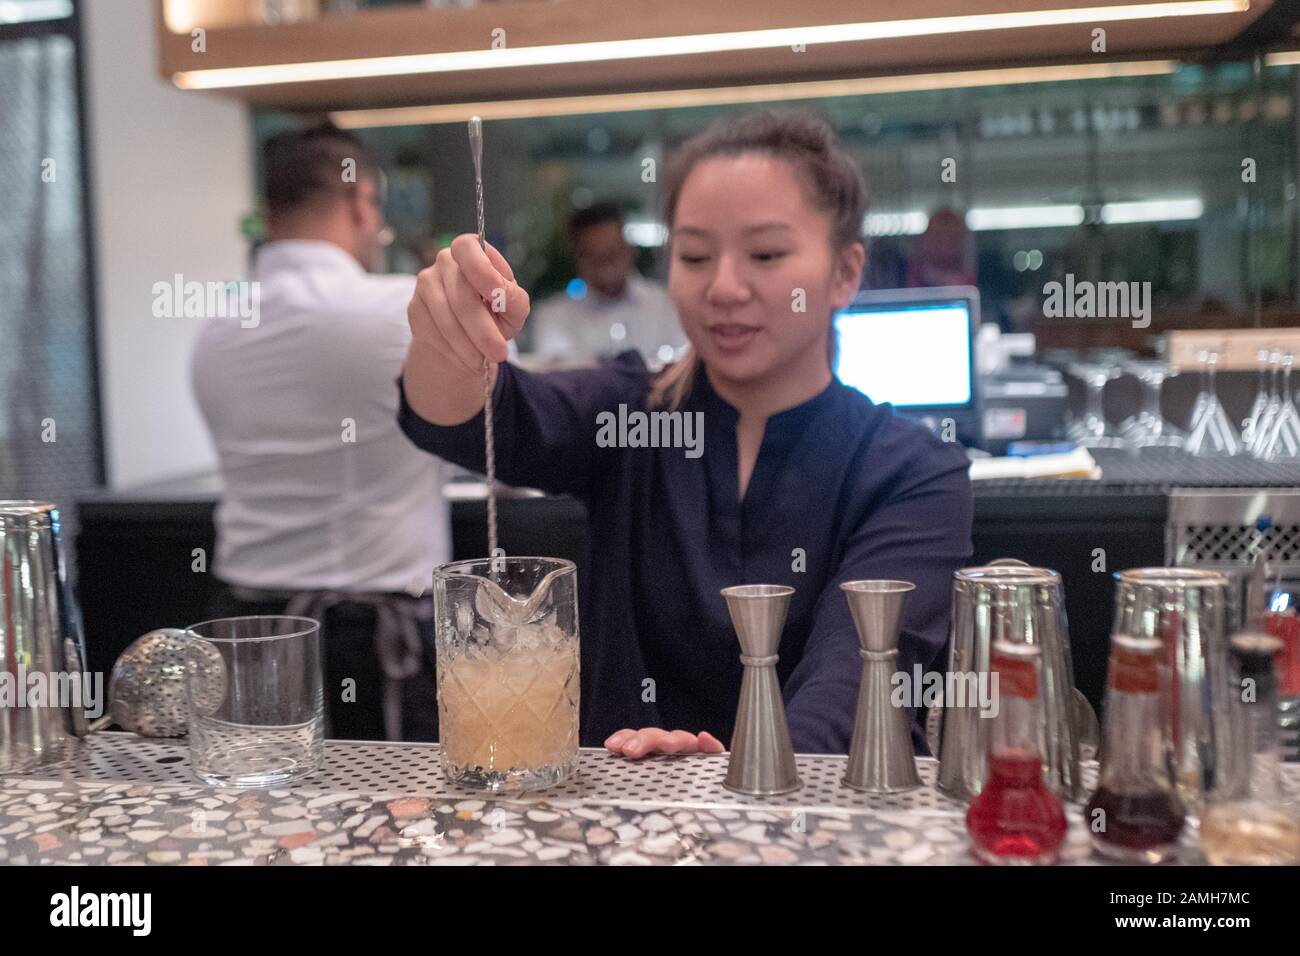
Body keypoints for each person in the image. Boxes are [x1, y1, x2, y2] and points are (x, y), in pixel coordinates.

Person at [397, 107, 973, 758]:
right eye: (695, 255)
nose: (724, 287)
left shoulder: (912, 470)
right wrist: (446, 340)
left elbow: (859, 677)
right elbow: (469, 417)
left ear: (844, 272)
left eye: (766, 253)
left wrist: (742, 776)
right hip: (625, 821)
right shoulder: (631, 414)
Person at [191, 123, 450, 742]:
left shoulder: (216, 330)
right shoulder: (399, 311)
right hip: (374, 637)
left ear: (268, 214)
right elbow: (507, 419)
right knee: (389, 828)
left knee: (254, 821)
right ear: (362, 200)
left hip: (245, 631)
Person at [526, 202, 685, 366]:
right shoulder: (553, 316)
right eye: (596, 258)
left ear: (630, 250)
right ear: (578, 259)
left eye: (613, 254)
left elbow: (682, 363)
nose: (608, 266)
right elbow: (558, 370)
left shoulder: (667, 304)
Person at [905, 208, 977, 289]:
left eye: (951, 240)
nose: (943, 246)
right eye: (937, 238)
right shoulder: (902, 274)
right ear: (924, 238)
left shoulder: (969, 285)